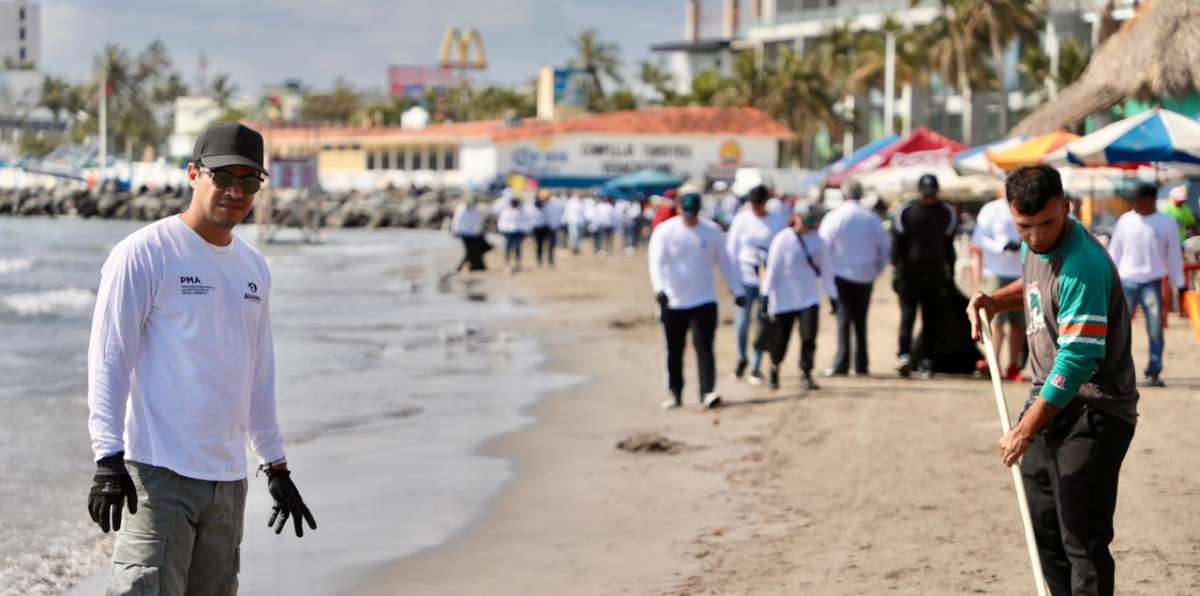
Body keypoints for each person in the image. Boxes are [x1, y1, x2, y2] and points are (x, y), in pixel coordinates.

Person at [87, 122, 316, 595]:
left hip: (228, 485)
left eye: (249, 181)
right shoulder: (145, 254)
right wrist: (107, 458)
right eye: (223, 177)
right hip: (159, 474)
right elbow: (110, 358)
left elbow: (258, 374)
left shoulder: (253, 267)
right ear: (194, 174)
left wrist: (275, 465)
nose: (236, 191)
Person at [967, 165, 1137, 596]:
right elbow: (1035, 291)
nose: (1038, 236)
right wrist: (992, 302)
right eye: (1026, 227)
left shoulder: (1082, 265)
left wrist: (1025, 428)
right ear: (1011, 214)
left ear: (1066, 206)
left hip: (1095, 409)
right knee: (1042, 527)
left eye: (1047, 223)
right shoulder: (1033, 248)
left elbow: (1078, 358)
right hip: (1049, 401)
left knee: (1082, 538)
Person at [648, 190, 746, 410]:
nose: (689, 217)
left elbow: (726, 264)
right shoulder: (665, 231)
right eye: (686, 211)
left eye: (693, 213)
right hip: (673, 301)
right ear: (679, 208)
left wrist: (737, 291)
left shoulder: (711, 232)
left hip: (704, 300)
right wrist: (659, 290)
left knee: (705, 347)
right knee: (674, 349)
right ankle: (675, 393)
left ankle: (707, 392)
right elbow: (656, 263)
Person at [1107, 184, 1185, 387]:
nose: (1134, 204)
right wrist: (1109, 279)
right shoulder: (1126, 221)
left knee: (1155, 329)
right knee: (1118, 329)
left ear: (1149, 200)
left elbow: (1174, 254)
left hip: (1153, 281)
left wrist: (1180, 284)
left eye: (1138, 200)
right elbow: (1115, 251)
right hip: (1126, 281)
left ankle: (1154, 370)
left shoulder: (1167, 222)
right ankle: (1115, 371)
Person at [760, 200, 838, 391]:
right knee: (780, 341)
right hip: (783, 300)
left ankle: (806, 373)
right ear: (795, 218)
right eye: (806, 221)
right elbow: (772, 271)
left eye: (813, 222)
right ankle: (774, 368)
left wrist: (833, 296)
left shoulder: (819, 241)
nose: (809, 226)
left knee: (809, 338)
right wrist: (765, 297)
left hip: (809, 298)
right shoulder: (782, 239)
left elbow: (827, 271)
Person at [818, 181, 889, 377]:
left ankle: (841, 363)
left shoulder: (835, 217)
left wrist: (827, 273)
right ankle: (861, 364)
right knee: (860, 321)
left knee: (843, 321)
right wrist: (876, 271)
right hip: (865, 276)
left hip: (842, 276)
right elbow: (885, 249)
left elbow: (823, 246)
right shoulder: (872, 218)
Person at [892, 173, 957, 379]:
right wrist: (895, 271)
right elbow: (897, 244)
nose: (929, 197)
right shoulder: (906, 211)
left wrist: (951, 274)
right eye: (926, 194)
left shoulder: (946, 212)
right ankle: (904, 355)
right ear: (920, 192)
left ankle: (926, 360)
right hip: (909, 276)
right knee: (907, 317)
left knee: (931, 320)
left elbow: (949, 246)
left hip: (936, 275)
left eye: (932, 194)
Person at [725, 184, 787, 384]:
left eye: (759, 204)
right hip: (745, 278)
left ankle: (756, 365)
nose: (756, 208)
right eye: (753, 204)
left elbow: (783, 248)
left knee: (762, 324)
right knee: (742, 323)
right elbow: (731, 250)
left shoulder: (777, 221)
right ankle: (742, 357)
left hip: (765, 281)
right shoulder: (742, 220)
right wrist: (733, 281)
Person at [971, 191, 1026, 380]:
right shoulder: (990, 209)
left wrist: (1022, 243)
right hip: (995, 271)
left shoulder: (1027, 205)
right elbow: (978, 239)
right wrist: (1001, 246)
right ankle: (992, 362)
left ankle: (1013, 366)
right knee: (995, 322)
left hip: (1021, 272)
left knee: (1019, 324)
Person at [450, 194, 486, 272]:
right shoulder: (461, 209)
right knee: (468, 251)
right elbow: (456, 221)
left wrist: (480, 231)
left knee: (472, 251)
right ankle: (459, 267)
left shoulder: (476, 209)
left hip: (474, 233)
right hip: (464, 233)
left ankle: (468, 267)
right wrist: (455, 231)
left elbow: (479, 221)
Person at [495, 189, 528, 272]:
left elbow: (524, 220)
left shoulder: (521, 209)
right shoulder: (505, 208)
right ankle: (507, 263)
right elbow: (500, 218)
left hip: (518, 231)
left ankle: (518, 262)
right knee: (507, 247)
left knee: (518, 247)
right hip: (508, 231)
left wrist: (525, 231)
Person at [528, 196, 556, 268]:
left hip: (546, 228)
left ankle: (550, 260)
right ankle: (539, 261)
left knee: (550, 245)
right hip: (537, 229)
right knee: (539, 245)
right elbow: (530, 220)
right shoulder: (532, 210)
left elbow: (550, 218)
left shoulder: (547, 208)